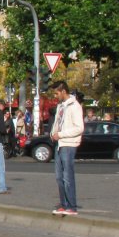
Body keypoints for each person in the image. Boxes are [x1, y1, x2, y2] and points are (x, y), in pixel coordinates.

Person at [50, 81, 84, 216]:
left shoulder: (75, 106)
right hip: (59, 143)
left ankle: (72, 206)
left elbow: (79, 128)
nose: (55, 95)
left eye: (56, 93)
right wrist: (53, 133)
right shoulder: (61, 106)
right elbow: (58, 122)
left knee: (67, 176)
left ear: (63, 91)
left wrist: (61, 135)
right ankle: (63, 204)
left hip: (69, 144)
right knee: (59, 177)